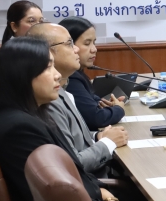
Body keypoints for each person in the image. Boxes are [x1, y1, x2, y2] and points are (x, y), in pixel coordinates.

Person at [0, 38, 134, 201]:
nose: (57, 75)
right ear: (21, 74)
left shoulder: (33, 113)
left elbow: (71, 171)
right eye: (48, 68)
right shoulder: (19, 128)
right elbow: (57, 197)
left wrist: (106, 196)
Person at [28, 23, 128, 177]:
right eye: (69, 44)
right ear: (46, 52)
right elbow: (72, 164)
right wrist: (108, 142)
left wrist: (97, 136)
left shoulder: (62, 88)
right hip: (94, 181)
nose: (76, 49)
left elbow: (75, 139)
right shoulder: (48, 100)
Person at [60, 16, 125, 131]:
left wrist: (106, 105)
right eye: (87, 43)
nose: (94, 49)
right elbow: (96, 118)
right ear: (69, 46)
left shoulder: (78, 73)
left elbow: (92, 101)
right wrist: (119, 109)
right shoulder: (69, 77)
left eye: (94, 42)